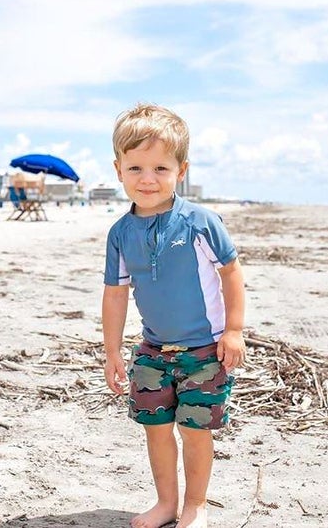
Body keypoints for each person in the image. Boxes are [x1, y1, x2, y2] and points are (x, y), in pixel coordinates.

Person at [101, 103, 246, 528]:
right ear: (118, 170)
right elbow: (115, 294)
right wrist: (112, 351)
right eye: (136, 168)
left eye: (161, 168)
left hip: (205, 351)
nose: (148, 179)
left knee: (195, 432)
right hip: (152, 352)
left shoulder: (200, 221)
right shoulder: (121, 233)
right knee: (157, 429)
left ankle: (195, 507)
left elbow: (232, 274)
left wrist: (234, 331)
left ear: (180, 170)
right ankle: (166, 503)